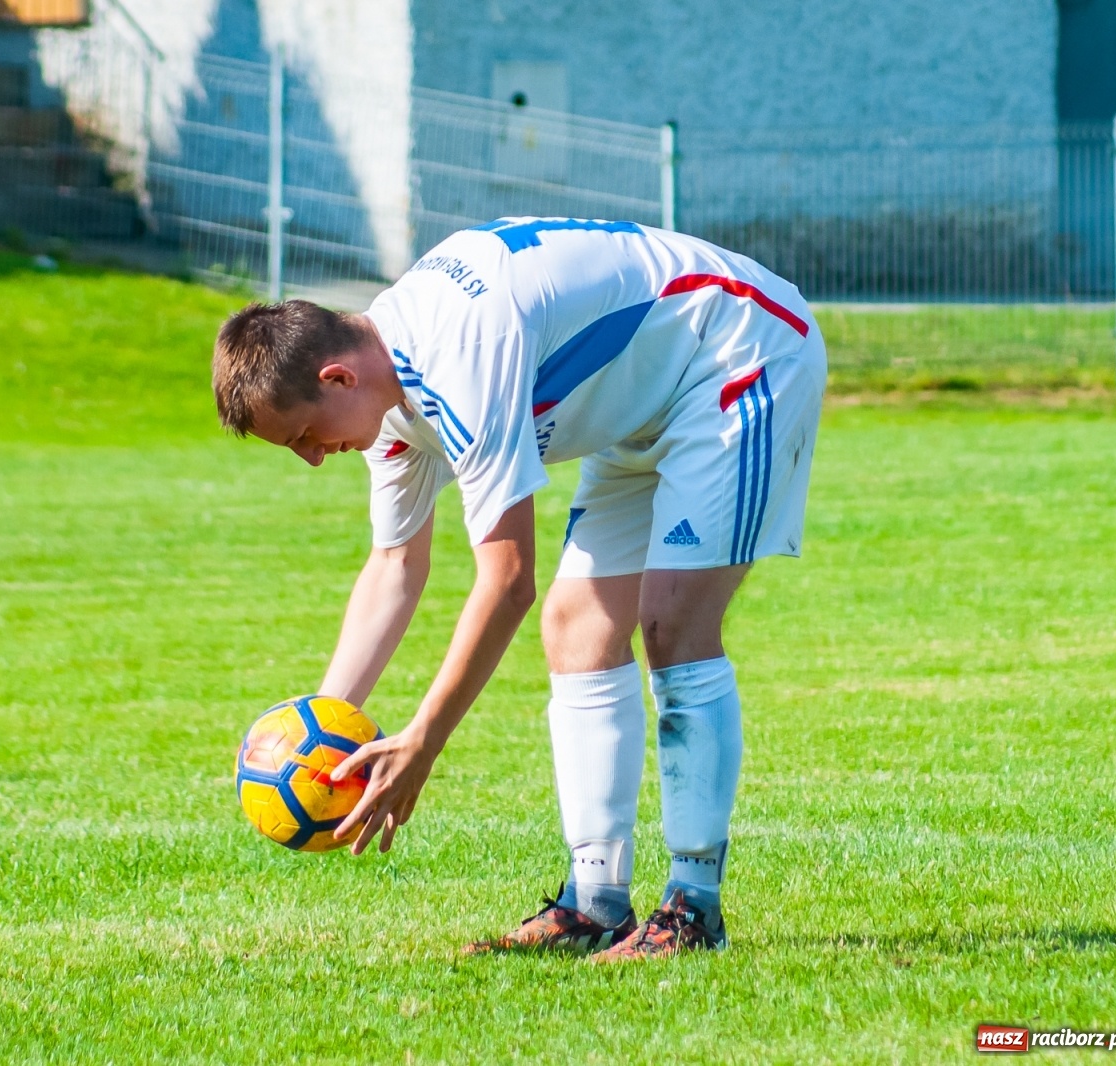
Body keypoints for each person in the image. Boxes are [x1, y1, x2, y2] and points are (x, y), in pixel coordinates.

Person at [211, 217, 825, 961]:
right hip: (643, 396)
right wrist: (317, 730)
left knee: (671, 624)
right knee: (578, 628)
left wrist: (424, 743)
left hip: (740, 349)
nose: (313, 459)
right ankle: (595, 903)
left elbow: (507, 581)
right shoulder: (388, 397)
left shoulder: (458, 354)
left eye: (304, 435)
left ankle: (694, 908)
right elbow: (395, 567)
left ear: (336, 377)